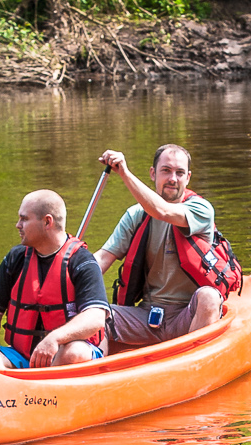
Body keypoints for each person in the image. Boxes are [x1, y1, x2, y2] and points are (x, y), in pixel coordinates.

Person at [95, 144, 240, 349]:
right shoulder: (136, 215)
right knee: (93, 315)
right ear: (153, 174)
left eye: (179, 173)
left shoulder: (201, 209)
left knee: (209, 296)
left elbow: (162, 211)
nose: (173, 178)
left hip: (188, 314)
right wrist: (68, 277)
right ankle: (96, 372)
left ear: (188, 178)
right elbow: (102, 258)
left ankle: (193, 363)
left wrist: (125, 173)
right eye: (166, 171)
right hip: (147, 315)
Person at [0, 190, 109, 368]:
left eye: (24, 219)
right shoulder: (16, 258)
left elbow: (95, 318)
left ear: (47, 222)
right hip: (22, 355)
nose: (18, 225)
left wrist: (54, 338)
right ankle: (21, 388)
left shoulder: (82, 261)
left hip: (66, 354)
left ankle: (47, 389)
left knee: (74, 352)